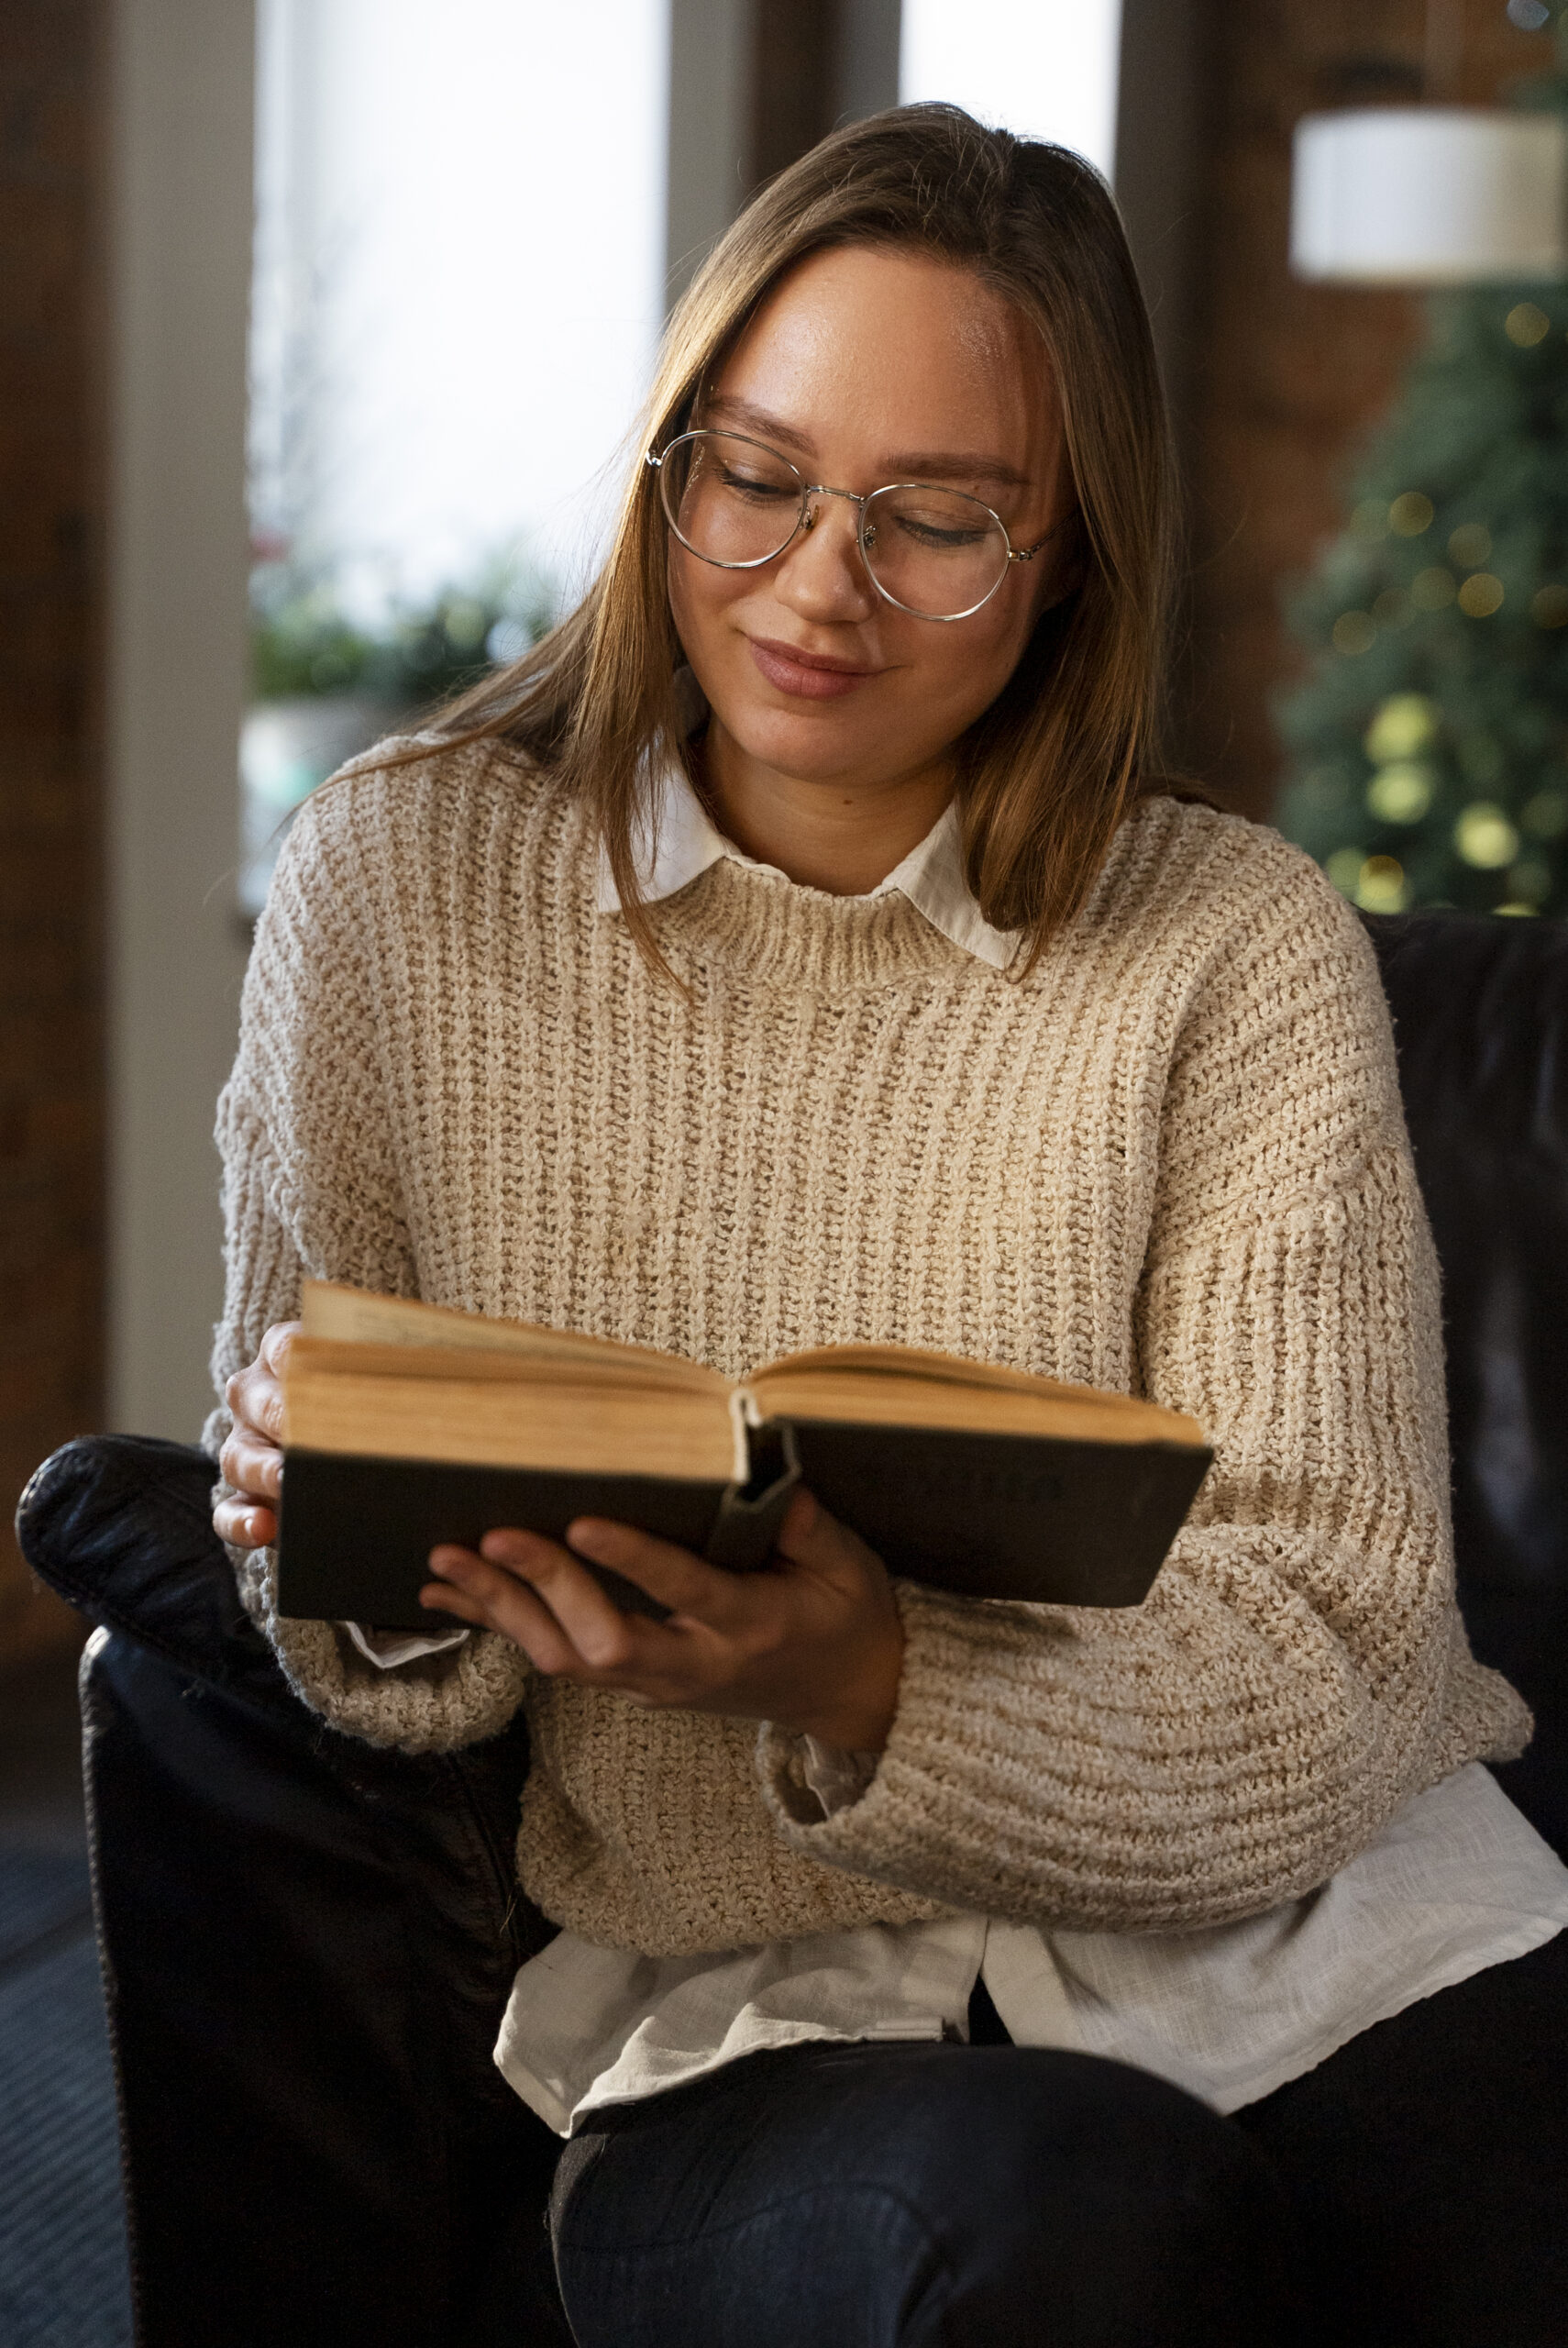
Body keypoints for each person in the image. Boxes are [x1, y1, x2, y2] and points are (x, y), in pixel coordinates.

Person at [210, 105, 1568, 2348]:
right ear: (668, 465)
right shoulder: (400, 885)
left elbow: (1340, 1640)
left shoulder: (1235, 945)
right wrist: (324, 1536)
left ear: (1072, 560)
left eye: (940, 519)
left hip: (1325, 1943)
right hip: (743, 2002)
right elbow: (334, 1565)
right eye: (753, 476)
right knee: (1071, 2228)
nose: (820, 582)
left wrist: (875, 1675)